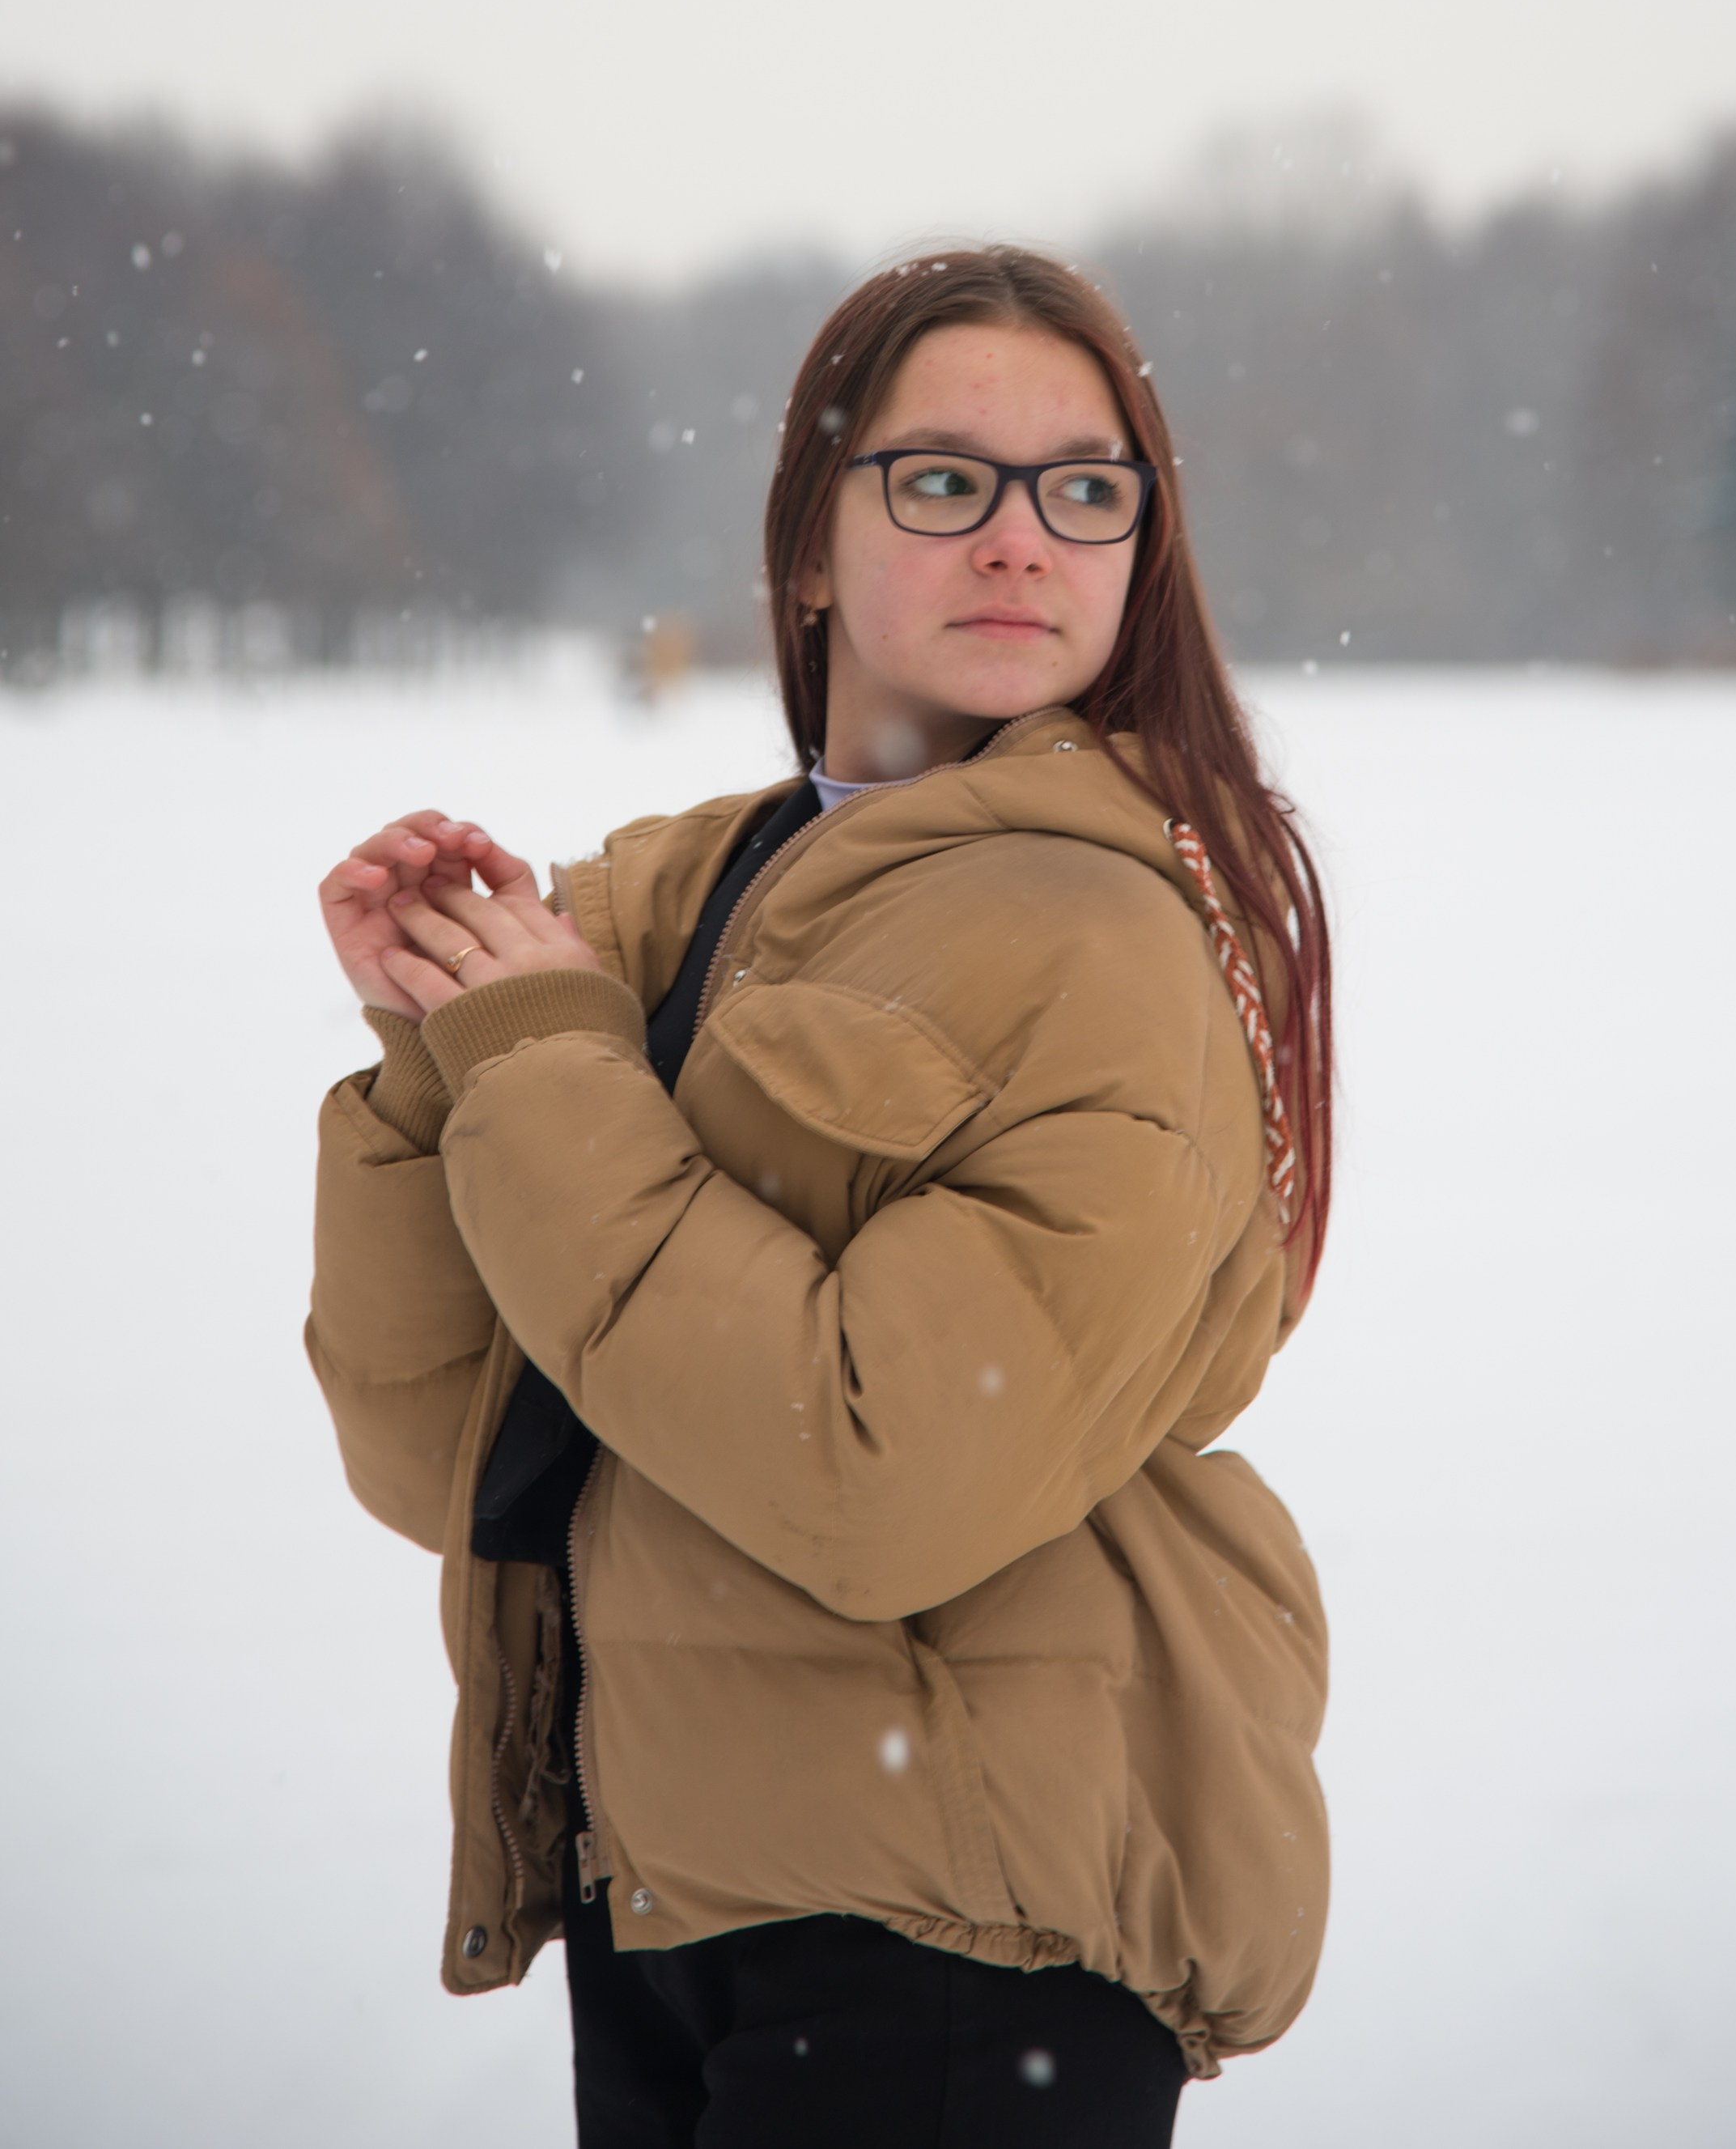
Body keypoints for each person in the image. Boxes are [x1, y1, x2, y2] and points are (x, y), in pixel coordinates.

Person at [310, 246, 1333, 2146]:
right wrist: (427, 1054)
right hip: (680, 1875)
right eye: (943, 479)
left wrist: (535, 1066)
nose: (1020, 538)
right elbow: (452, 1455)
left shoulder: (1102, 928)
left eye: (1082, 487)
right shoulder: (679, 894)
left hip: (955, 1924)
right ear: (806, 543)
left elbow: (889, 1475)